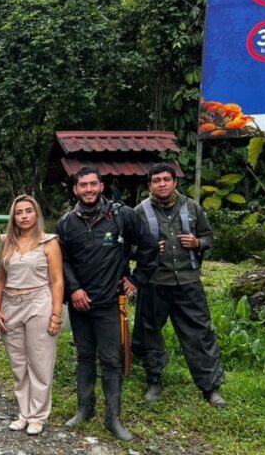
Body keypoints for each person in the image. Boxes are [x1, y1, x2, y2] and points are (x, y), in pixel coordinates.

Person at [57, 166, 158, 441]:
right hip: (79, 304)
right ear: (75, 190)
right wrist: (74, 289)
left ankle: (112, 418)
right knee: (84, 356)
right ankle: (84, 409)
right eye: (83, 185)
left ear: (101, 186)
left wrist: (136, 279)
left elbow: (149, 247)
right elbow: (62, 260)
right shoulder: (67, 222)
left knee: (111, 360)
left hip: (110, 302)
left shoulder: (122, 215)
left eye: (93, 184)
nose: (88, 190)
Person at [132, 163, 225, 408]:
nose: (161, 184)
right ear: (149, 185)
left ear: (174, 182)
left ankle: (211, 388)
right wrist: (147, 249)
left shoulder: (192, 207)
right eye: (156, 180)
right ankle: (154, 381)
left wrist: (197, 242)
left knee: (200, 334)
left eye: (166, 179)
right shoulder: (139, 212)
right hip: (154, 283)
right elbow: (127, 246)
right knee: (149, 332)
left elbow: (209, 238)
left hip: (188, 282)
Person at [0, 195, 64, 436]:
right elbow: (0, 276)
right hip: (11, 305)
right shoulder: (7, 242)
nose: (24, 216)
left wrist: (56, 313)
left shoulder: (49, 242)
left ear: (36, 214)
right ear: (13, 216)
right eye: (19, 212)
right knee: (18, 363)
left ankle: (38, 415)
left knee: (40, 362)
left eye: (28, 211)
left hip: (39, 303)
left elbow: (57, 280)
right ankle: (24, 412)